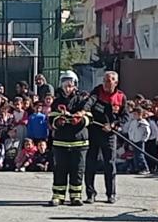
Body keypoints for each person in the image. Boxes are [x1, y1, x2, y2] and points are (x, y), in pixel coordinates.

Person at [85, 71, 127, 204]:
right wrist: (84, 111)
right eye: (105, 80)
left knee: (109, 164)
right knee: (90, 163)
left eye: (110, 81)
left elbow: (124, 116)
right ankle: (90, 194)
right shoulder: (97, 92)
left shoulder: (121, 97)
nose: (107, 83)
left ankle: (111, 194)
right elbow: (89, 104)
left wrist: (113, 125)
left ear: (116, 82)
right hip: (94, 132)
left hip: (109, 134)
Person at [49, 72, 89, 206]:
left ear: (75, 85)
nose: (67, 87)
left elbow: (90, 117)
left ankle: (76, 196)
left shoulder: (82, 101)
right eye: (65, 83)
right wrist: (58, 121)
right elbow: (51, 118)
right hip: (61, 141)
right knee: (60, 169)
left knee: (77, 170)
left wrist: (80, 120)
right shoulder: (57, 102)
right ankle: (58, 196)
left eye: (70, 84)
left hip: (79, 141)